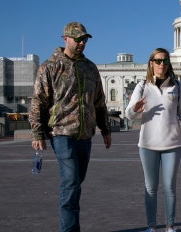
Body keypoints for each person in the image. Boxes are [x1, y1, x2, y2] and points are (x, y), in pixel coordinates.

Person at [29, 21, 112, 232]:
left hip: (85, 133)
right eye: (78, 39)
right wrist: (37, 132)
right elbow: (38, 101)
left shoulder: (90, 67)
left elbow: (99, 101)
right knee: (71, 182)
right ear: (65, 38)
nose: (82, 43)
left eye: (84, 40)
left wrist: (105, 129)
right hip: (61, 132)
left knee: (77, 181)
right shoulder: (49, 67)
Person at [125, 48, 181, 232]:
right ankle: (151, 225)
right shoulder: (142, 86)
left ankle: (170, 226)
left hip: (172, 143)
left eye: (164, 60)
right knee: (150, 187)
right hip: (148, 144)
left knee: (170, 187)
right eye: (157, 60)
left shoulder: (177, 86)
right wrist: (135, 109)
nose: (161, 64)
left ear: (169, 63)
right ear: (151, 63)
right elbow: (129, 113)